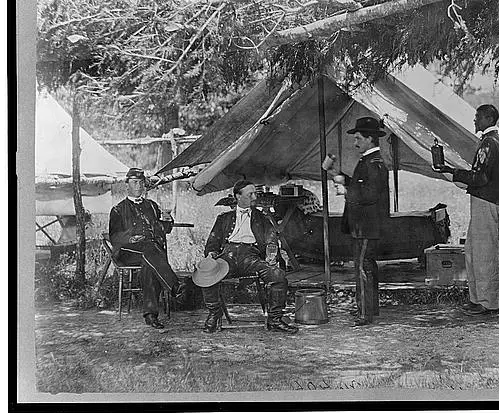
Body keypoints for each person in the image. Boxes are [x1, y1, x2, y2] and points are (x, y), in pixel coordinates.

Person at [434, 105, 499, 316]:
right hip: (486, 200)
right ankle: (478, 299)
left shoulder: (489, 143)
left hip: (486, 201)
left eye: (478, 117)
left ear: (488, 118)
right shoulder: (497, 142)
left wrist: (452, 172)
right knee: (473, 250)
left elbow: (480, 177)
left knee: (484, 253)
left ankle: (488, 303)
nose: (474, 120)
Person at [196, 179, 298, 334]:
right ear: (238, 196)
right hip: (227, 257)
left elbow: (271, 238)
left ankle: (275, 319)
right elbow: (212, 242)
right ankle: (214, 313)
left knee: (277, 276)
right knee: (207, 274)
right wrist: (211, 254)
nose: (254, 198)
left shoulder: (262, 218)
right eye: (250, 194)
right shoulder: (223, 218)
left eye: (254, 194)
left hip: (251, 257)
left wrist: (271, 254)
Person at [323, 116, 389, 326]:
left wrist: (346, 191)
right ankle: (370, 309)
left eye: (359, 138)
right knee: (366, 265)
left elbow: (369, 195)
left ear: (370, 139)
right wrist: (336, 174)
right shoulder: (368, 162)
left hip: (367, 226)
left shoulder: (374, 164)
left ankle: (364, 313)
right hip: (363, 225)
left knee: (362, 267)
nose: (355, 142)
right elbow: (360, 185)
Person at [109, 168, 187, 329]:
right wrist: (130, 238)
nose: (138, 186)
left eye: (141, 183)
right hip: (127, 252)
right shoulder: (118, 209)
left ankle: (151, 316)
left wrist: (168, 220)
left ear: (145, 185)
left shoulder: (152, 206)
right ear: (127, 185)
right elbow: (114, 237)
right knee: (151, 252)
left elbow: (164, 228)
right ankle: (174, 285)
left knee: (149, 262)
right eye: (134, 182)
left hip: (150, 254)